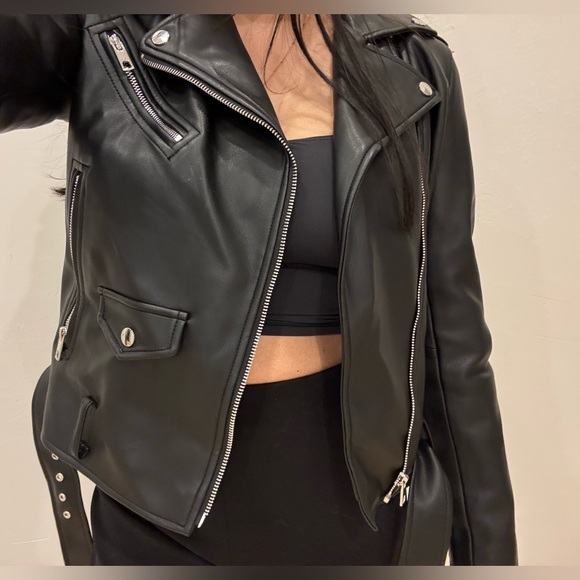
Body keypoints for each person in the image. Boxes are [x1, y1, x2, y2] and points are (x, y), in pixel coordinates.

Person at [1, 13, 518, 565]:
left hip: (365, 518)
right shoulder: (110, 31)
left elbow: (454, 345)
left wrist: (489, 554)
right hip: (155, 516)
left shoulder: (411, 61)